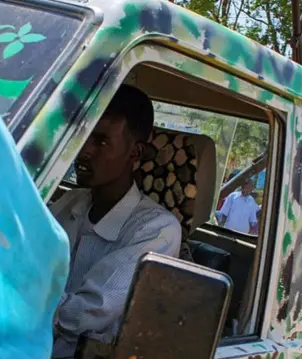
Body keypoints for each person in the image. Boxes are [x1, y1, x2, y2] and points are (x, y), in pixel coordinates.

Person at [48, 85, 181, 358]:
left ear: (135, 153)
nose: (84, 151)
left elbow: (86, 314)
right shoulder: (72, 202)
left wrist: (21, 296)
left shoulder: (157, 230)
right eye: (84, 136)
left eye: (101, 141)